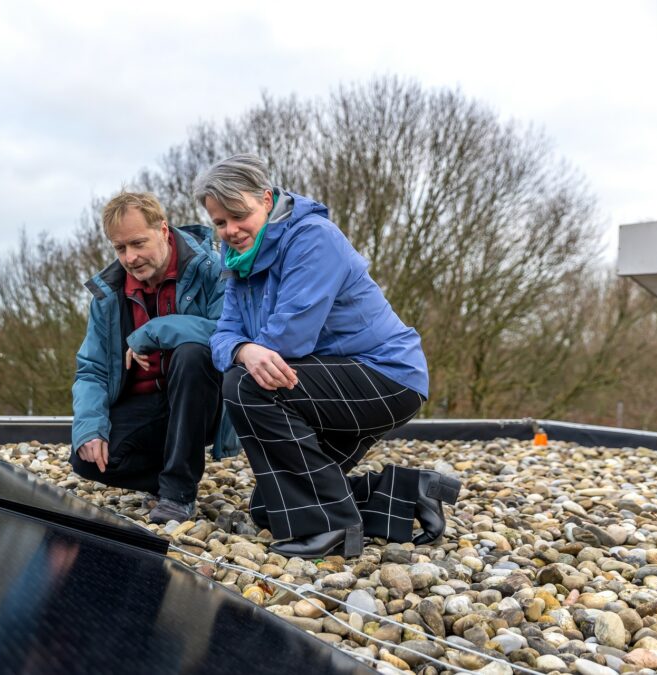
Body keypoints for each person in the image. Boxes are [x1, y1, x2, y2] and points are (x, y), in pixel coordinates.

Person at [195, 154, 461, 558]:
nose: (230, 229)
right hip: (326, 385)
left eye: (238, 214)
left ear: (266, 199)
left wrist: (245, 354)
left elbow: (291, 336)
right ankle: (410, 492)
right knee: (270, 509)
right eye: (219, 222)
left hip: (384, 377)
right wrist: (242, 348)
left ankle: (333, 527)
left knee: (247, 385)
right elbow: (223, 335)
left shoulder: (313, 238)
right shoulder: (237, 264)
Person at [70, 191, 225, 524]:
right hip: (148, 405)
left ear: (164, 230)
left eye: (139, 243)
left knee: (191, 353)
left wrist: (153, 331)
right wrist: (90, 428)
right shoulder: (107, 294)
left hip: (201, 399)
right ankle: (172, 470)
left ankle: (178, 493)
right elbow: (92, 370)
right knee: (86, 459)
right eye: (120, 248)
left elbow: (227, 333)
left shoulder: (210, 268)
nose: (130, 257)